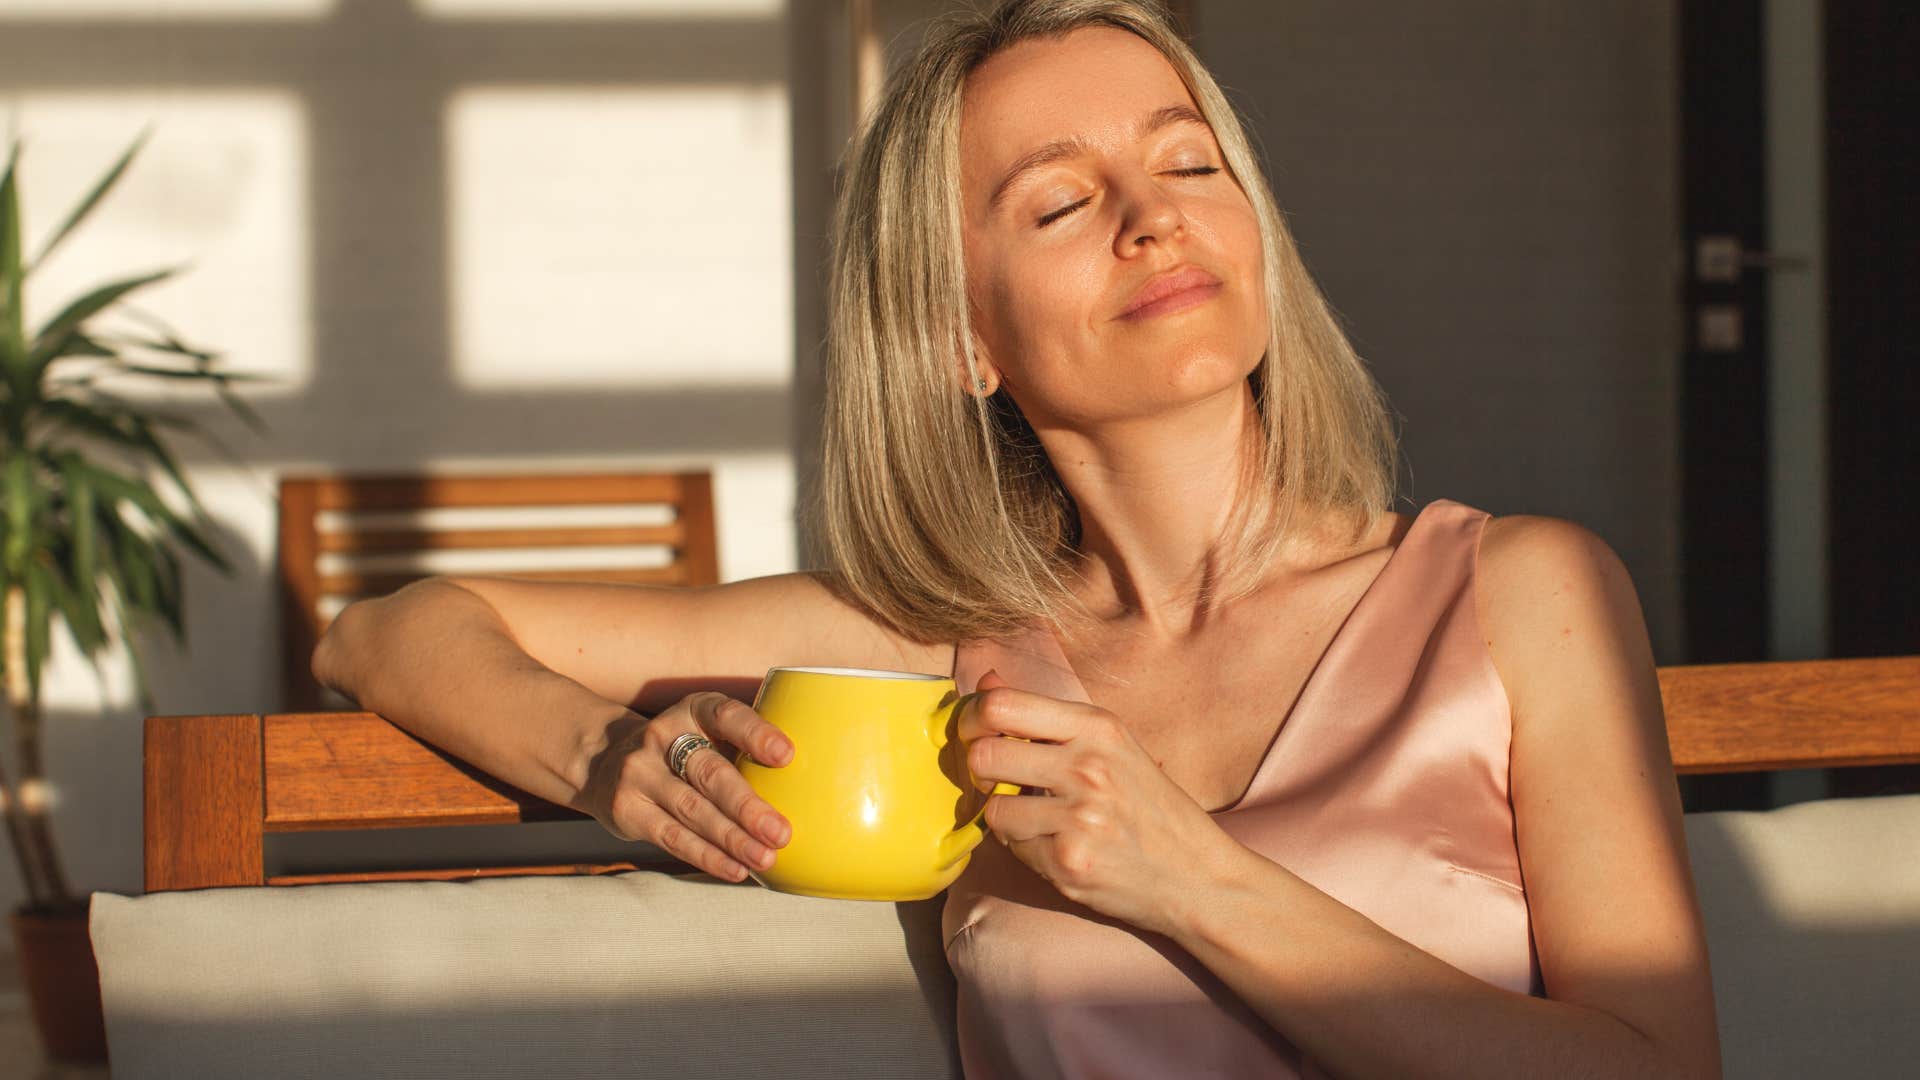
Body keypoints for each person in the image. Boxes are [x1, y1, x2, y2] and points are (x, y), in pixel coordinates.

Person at [314, 1, 1721, 1075]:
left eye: (1189, 164)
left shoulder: (1523, 595)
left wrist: (1196, 878)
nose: (1152, 217)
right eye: (1058, 200)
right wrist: (605, 756)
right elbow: (384, 629)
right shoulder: (931, 653)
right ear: (960, 336)